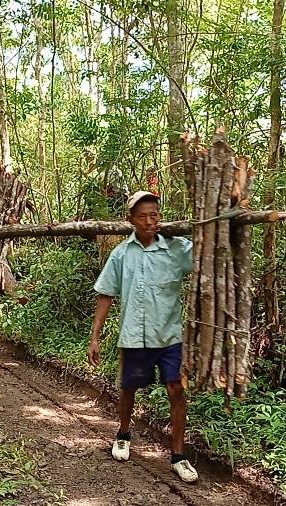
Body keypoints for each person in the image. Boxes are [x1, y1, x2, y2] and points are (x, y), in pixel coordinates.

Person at [88, 190, 199, 484]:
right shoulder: (122, 254)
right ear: (131, 220)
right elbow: (106, 294)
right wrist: (95, 337)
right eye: (143, 216)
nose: (150, 221)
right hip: (135, 335)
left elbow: (207, 255)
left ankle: (178, 455)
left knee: (176, 389)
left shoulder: (176, 248)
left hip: (170, 336)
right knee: (129, 388)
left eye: (154, 215)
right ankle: (123, 434)